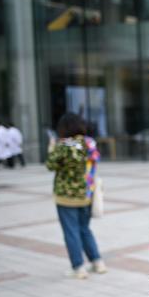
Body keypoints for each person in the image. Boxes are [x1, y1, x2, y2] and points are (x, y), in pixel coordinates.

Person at [46, 113, 106, 279]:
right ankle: (97, 262)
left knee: (71, 231)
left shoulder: (62, 146)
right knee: (84, 229)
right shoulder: (89, 143)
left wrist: (51, 147)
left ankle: (78, 267)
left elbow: (50, 165)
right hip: (86, 194)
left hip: (66, 197)